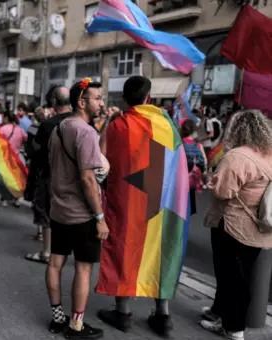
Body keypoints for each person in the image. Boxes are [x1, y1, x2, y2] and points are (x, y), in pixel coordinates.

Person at [97, 75, 189, 337]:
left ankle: (123, 313)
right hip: (165, 205)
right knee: (161, 251)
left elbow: (101, 165)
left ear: (125, 99)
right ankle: (164, 317)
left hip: (129, 202)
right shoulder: (168, 125)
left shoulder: (118, 127)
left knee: (126, 249)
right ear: (148, 98)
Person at [200, 109, 272, 340]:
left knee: (231, 277)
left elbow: (223, 191)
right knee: (242, 275)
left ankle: (233, 327)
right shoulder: (269, 153)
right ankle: (218, 311)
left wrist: (211, 179)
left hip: (233, 225)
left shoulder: (236, 156)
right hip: (259, 227)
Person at [46, 79, 106, 339]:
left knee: (56, 262)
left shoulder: (58, 129)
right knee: (83, 268)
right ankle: (76, 326)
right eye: (97, 98)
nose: (101, 103)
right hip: (81, 215)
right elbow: (88, 179)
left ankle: (58, 319)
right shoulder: (86, 132)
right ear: (82, 102)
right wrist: (100, 217)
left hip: (58, 209)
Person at [24, 86, 72, 262]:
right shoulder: (81, 123)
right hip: (73, 177)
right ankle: (64, 250)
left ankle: (47, 252)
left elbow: (36, 152)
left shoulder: (47, 125)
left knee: (48, 215)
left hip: (50, 176)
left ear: (53, 101)